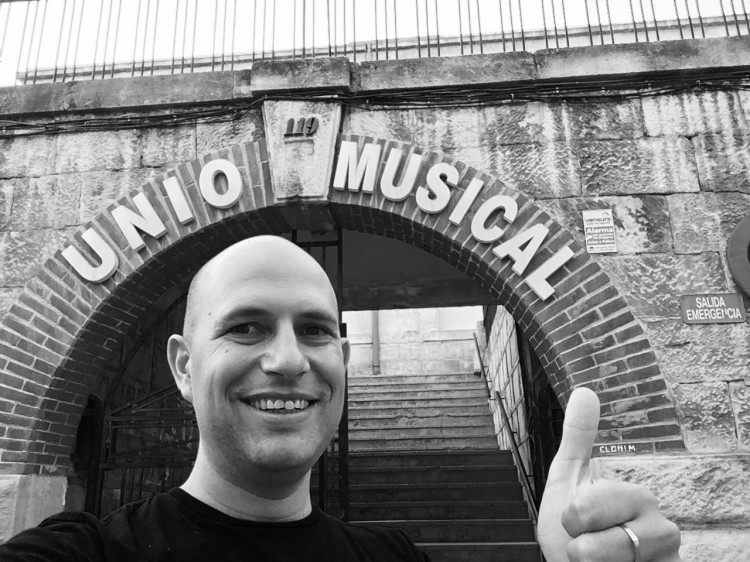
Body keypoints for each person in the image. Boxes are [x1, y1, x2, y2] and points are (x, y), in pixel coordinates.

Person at [0, 236, 681, 561]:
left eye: (316, 331)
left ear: (343, 362)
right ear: (182, 365)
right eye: (246, 327)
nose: (289, 360)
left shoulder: (393, 560)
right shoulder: (82, 556)